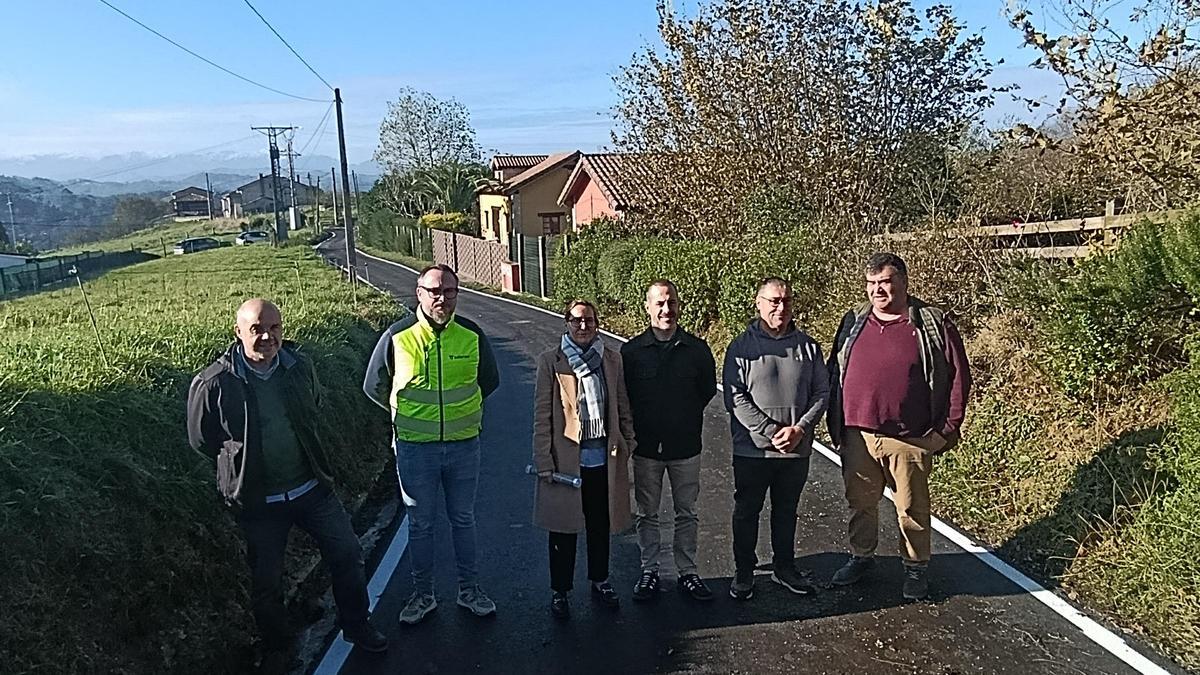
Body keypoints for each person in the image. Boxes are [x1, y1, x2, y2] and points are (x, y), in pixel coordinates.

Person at [187, 298, 387, 674]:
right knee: (267, 582)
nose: (267, 337)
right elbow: (202, 440)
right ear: (238, 333)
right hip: (259, 502)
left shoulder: (298, 367)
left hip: (311, 488)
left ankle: (357, 625)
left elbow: (314, 406)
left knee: (347, 555)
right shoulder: (214, 382)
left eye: (274, 328)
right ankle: (278, 648)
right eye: (257, 329)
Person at [825, 253, 971, 601]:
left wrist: (946, 429)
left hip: (909, 436)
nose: (878, 290)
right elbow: (835, 370)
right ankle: (861, 557)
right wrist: (835, 423)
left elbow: (958, 378)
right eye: (872, 283)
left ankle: (915, 568)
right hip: (857, 433)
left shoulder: (932, 324)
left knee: (911, 507)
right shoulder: (854, 320)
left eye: (886, 282)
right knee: (860, 502)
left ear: (903, 282)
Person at [363, 264, 501, 624]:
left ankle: (469, 591)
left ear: (457, 294)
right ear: (419, 293)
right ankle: (423, 596)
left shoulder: (472, 335)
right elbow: (374, 385)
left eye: (449, 291)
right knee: (420, 525)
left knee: (463, 519)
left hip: (463, 446)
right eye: (434, 290)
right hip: (414, 449)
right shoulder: (397, 336)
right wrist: (405, 418)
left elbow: (489, 380)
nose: (442, 297)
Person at [723, 277, 830, 601]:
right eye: (773, 301)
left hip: (795, 451)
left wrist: (800, 430)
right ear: (758, 303)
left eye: (785, 301)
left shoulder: (808, 347)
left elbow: (822, 392)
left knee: (786, 511)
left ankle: (785, 568)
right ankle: (744, 572)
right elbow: (735, 398)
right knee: (746, 512)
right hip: (752, 451)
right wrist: (771, 432)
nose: (780, 307)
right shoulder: (741, 348)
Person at [532, 300, 636, 620]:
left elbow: (622, 406)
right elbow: (542, 416)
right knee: (563, 529)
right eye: (577, 321)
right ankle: (560, 590)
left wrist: (628, 442)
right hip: (566, 462)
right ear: (566, 323)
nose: (583, 326)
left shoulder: (611, 359)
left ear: (596, 323)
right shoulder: (551, 361)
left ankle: (600, 580)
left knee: (599, 524)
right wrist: (543, 459)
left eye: (589, 321)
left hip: (604, 459)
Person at [621, 280, 717, 602]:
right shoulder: (631, 353)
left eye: (671, 302)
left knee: (687, 512)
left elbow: (705, 392)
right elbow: (626, 398)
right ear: (647, 307)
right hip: (646, 449)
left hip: (686, 447)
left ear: (679, 305)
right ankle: (649, 571)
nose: (667, 310)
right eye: (660, 303)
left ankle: (687, 572)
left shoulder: (698, 350)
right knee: (647, 513)